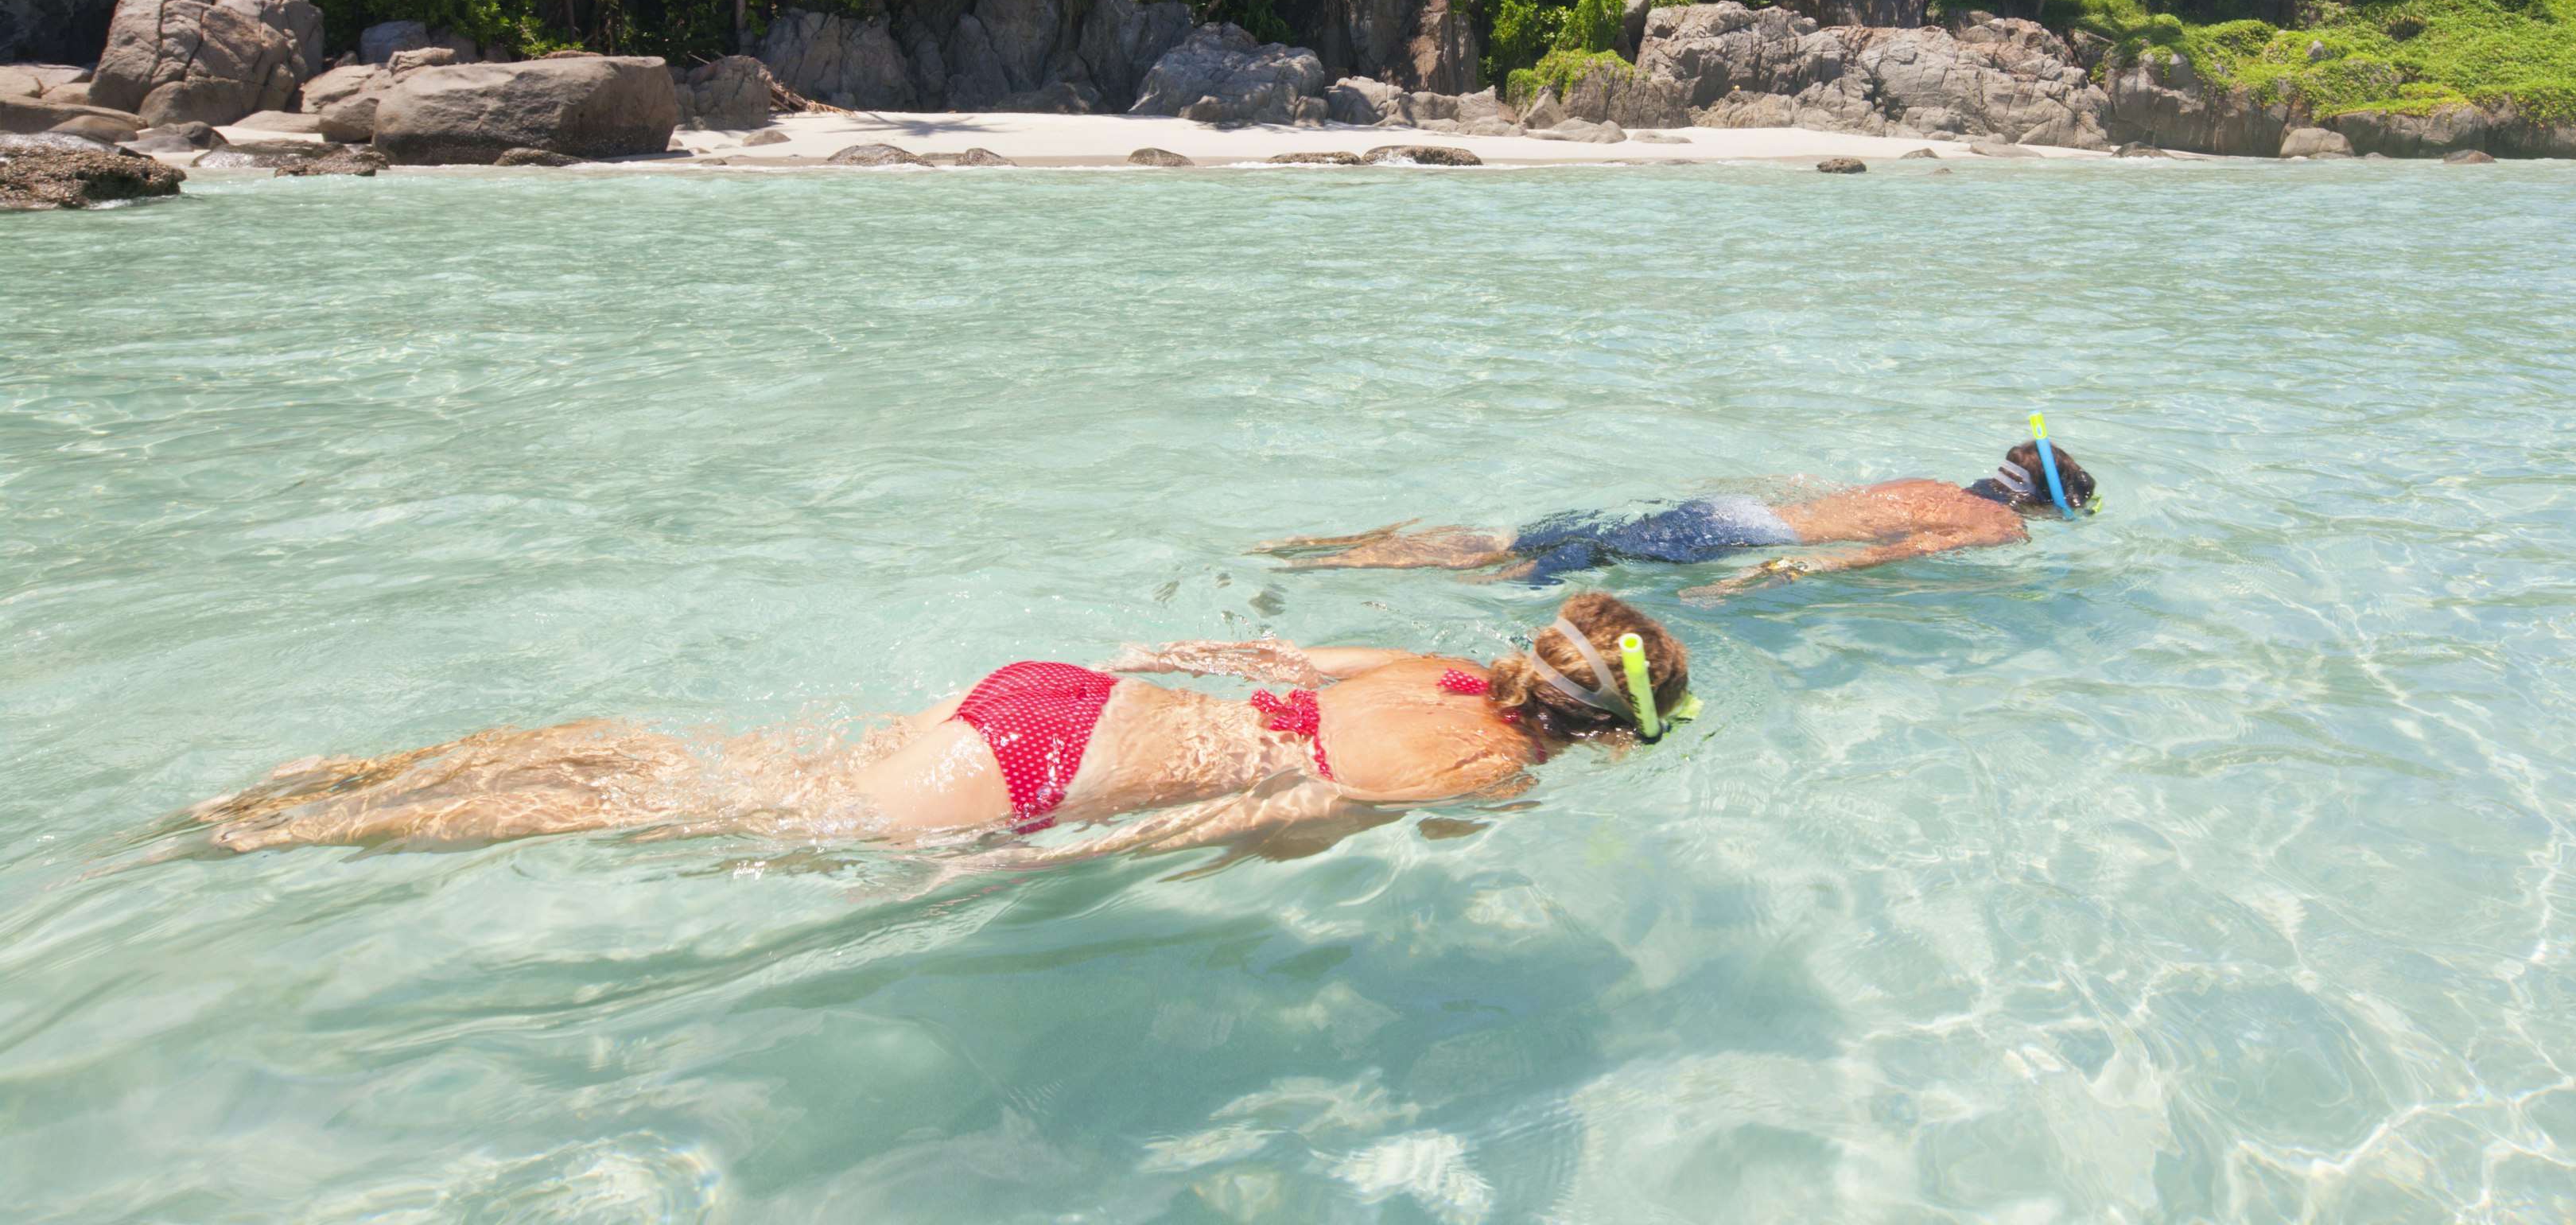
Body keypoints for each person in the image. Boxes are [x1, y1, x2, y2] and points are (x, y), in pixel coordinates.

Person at [192, 591, 1693, 861]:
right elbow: (1264, 816)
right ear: (1605, 735)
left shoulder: (1442, 669)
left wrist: (1157, 652)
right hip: (1072, 773)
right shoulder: (1491, 770)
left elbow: (1271, 650)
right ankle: (316, 827)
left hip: (1065, 699)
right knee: (687, 818)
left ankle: (373, 776)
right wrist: (1065, 868)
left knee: (719, 773)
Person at [1267, 435, 2097, 595]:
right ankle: (1337, 570)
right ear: (2047, 508)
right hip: (1742, 536)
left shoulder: (1929, 478)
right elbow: (1881, 557)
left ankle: (1334, 548)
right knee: (1530, 569)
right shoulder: (2000, 528)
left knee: (1525, 539)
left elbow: (1849, 508)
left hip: (1732, 507)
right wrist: (1772, 577)